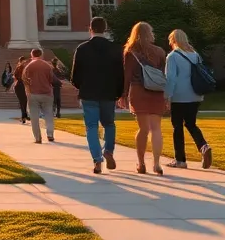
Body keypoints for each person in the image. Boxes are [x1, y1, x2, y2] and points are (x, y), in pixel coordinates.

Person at [70, 16, 125, 174]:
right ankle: (108, 150)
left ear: (90, 29)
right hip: (108, 93)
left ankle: (97, 160)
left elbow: (75, 76)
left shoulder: (82, 48)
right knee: (109, 124)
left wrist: (81, 86)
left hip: (89, 93)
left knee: (91, 127)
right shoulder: (115, 48)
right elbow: (120, 74)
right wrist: (119, 92)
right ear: (105, 29)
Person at [124, 21, 168, 176]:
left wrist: (123, 95)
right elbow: (164, 76)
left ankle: (141, 163)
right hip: (157, 92)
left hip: (138, 91)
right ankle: (157, 164)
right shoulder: (160, 52)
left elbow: (127, 76)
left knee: (143, 129)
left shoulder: (131, 52)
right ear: (150, 33)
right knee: (156, 128)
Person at [164, 30, 212, 169]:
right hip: (196, 94)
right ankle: (204, 146)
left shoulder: (173, 56)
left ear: (173, 40)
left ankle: (180, 160)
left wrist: (167, 96)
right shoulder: (195, 55)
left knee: (177, 127)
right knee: (191, 124)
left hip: (179, 96)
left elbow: (171, 78)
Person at [22, 48, 57, 144]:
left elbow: (24, 79)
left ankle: (38, 137)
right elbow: (51, 79)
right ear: (41, 55)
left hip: (33, 93)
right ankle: (50, 134)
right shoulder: (47, 66)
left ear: (32, 55)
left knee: (34, 117)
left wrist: (28, 90)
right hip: (47, 93)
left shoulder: (29, 66)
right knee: (49, 114)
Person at [12, 56, 30, 124]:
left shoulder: (20, 68)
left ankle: (24, 115)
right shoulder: (21, 68)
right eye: (24, 61)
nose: (25, 62)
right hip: (20, 86)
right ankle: (24, 116)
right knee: (23, 101)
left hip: (20, 85)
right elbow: (17, 76)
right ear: (21, 61)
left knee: (24, 101)